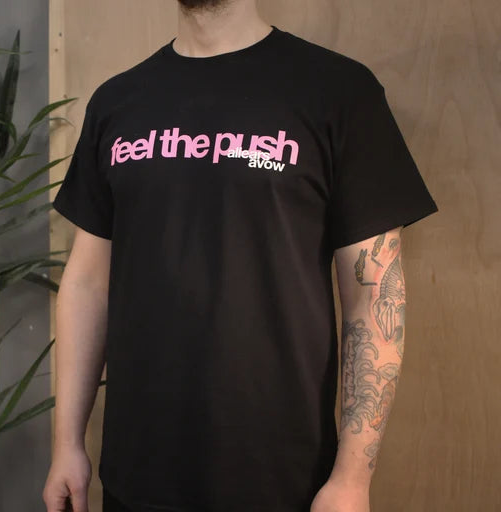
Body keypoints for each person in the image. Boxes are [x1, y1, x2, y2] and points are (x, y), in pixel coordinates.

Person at [42, 0, 439, 510]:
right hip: (136, 476)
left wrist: (352, 478)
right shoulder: (117, 101)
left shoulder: (339, 91)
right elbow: (87, 284)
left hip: (282, 479)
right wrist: (67, 443)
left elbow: (375, 295)